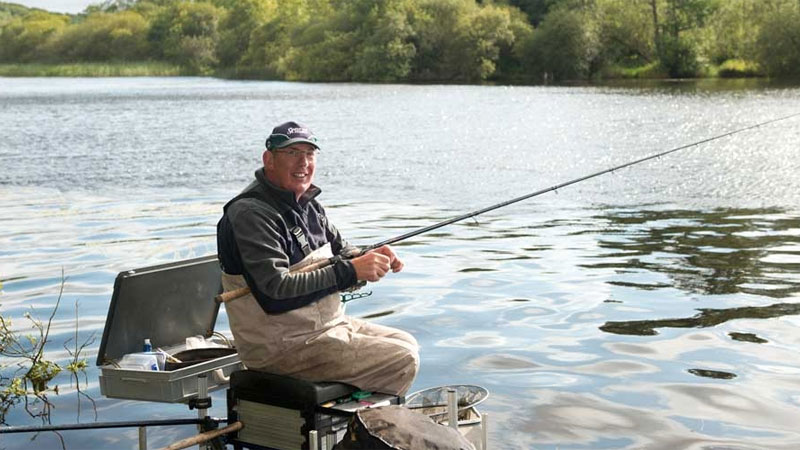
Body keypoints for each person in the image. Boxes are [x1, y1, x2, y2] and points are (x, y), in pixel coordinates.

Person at [216, 121, 419, 396]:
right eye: (292, 153)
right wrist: (352, 271)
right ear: (269, 160)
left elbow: (343, 252)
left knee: (406, 342)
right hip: (280, 346)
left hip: (324, 328)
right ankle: (364, 421)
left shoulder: (310, 205)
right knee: (401, 358)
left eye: (309, 154)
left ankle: (360, 415)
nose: (303, 162)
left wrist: (370, 258)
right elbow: (275, 294)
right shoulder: (251, 214)